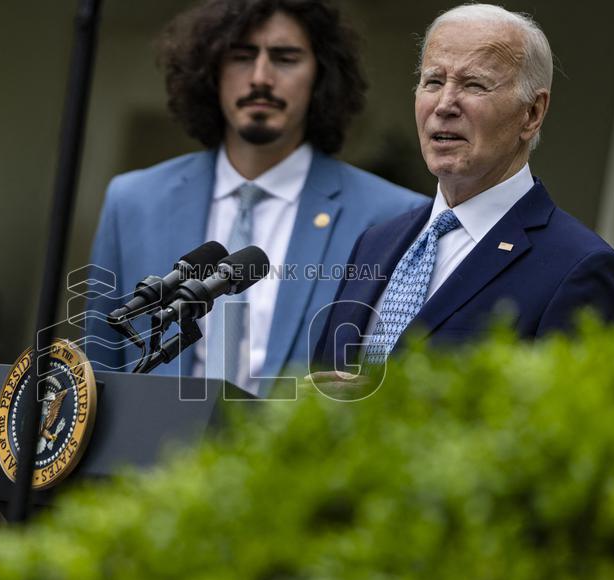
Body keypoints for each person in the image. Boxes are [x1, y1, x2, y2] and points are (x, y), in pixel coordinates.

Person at [85, 0, 427, 397]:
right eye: (241, 56)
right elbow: (99, 367)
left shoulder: (392, 216)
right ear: (211, 70)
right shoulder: (133, 201)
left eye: (285, 58)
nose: (261, 77)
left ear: (322, 75)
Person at [312, 4, 614, 389]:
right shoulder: (376, 242)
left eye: (474, 85)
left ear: (531, 113)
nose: (445, 105)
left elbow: (569, 436)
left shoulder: (581, 270)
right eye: (433, 81)